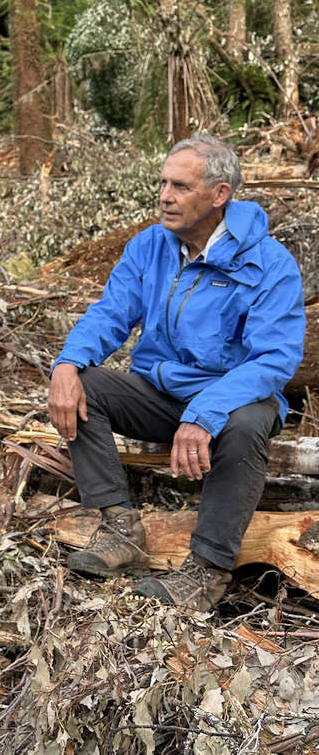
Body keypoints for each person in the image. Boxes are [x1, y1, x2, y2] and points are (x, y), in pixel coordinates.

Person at [48, 133, 305, 612]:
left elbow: (273, 360)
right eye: (164, 183)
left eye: (181, 187)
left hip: (232, 401)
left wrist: (205, 413)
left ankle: (207, 571)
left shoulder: (269, 264)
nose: (165, 196)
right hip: (161, 392)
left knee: (249, 422)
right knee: (80, 386)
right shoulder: (150, 246)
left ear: (219, 194)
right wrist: (67, 362)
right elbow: (109, 315)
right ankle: (121, 528)